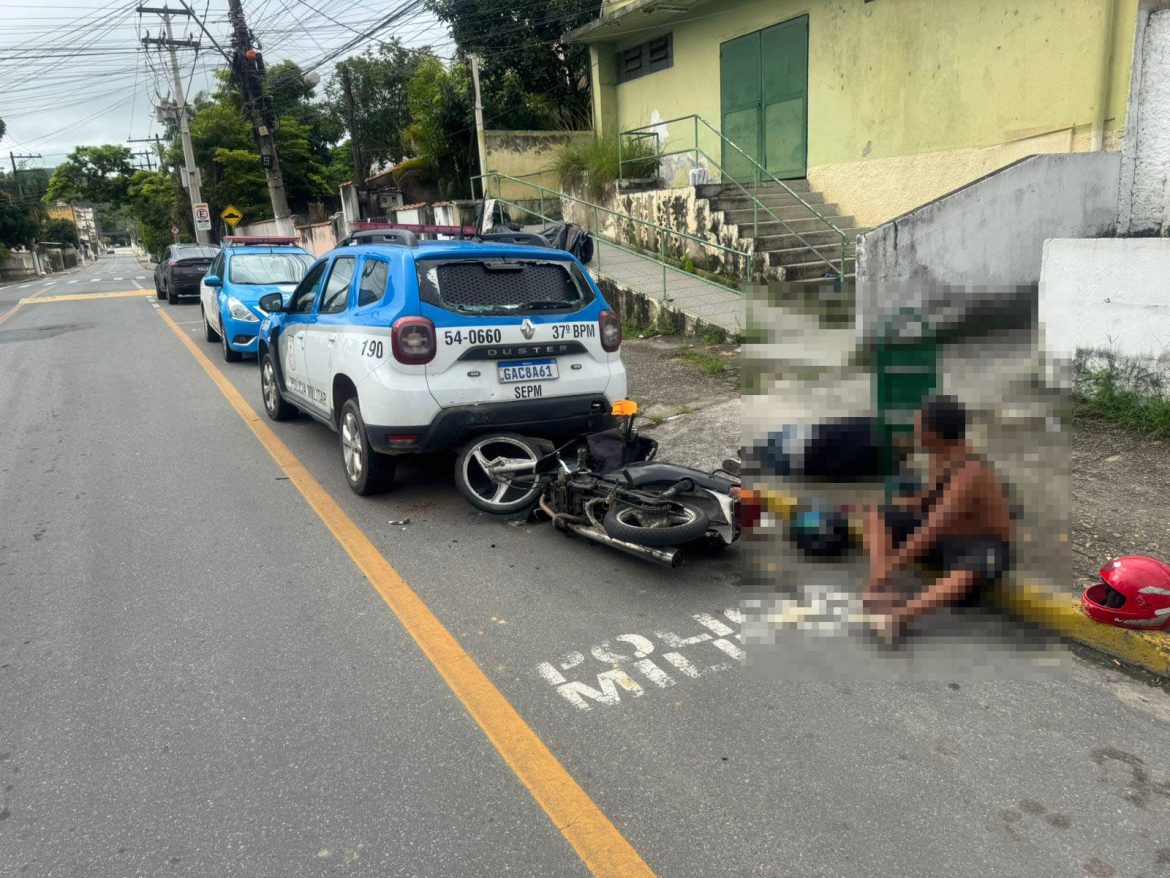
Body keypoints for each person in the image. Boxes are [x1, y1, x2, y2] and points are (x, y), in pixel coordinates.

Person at [862, 394, 1014, 644]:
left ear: (935, 433)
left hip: (982, 545)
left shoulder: (970, 472)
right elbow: (929, 500)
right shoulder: (940, 458)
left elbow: (931, 529)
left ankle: (898, 617)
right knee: (878, 514)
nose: (915, 429)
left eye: (920, 425)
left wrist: (890, 566)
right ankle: (881, 591)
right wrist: (902, 506)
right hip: (946, 539)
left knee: (971, 570)